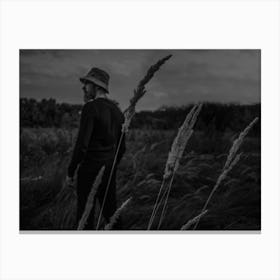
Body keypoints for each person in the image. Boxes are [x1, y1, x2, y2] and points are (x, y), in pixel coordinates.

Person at [65, 67, 126, 230]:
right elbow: (122, 147)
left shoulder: (90, 108)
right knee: (112, 216)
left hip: (89, 172)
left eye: (87, 84)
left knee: (85, 219)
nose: (83, 87)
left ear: (96, 86)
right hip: (108, 171)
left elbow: (82, 145)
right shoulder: (118, 112)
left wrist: (70, 172)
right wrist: (111, 166)